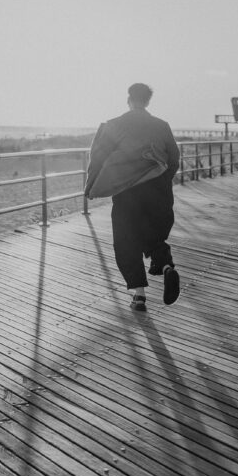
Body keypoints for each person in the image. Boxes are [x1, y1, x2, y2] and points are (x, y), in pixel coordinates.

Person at [85, 82, 180, 312]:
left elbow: (97, 157)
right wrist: (161, 180)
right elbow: (174, 159)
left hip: (127, 192)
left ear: (129, 99)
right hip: (158, 191)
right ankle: (166, 267)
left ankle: (139, 295)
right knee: (154, 237)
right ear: (148, 102)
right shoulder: (161, 125)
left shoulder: (114, 125)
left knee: (127, 241)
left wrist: (92, 186)